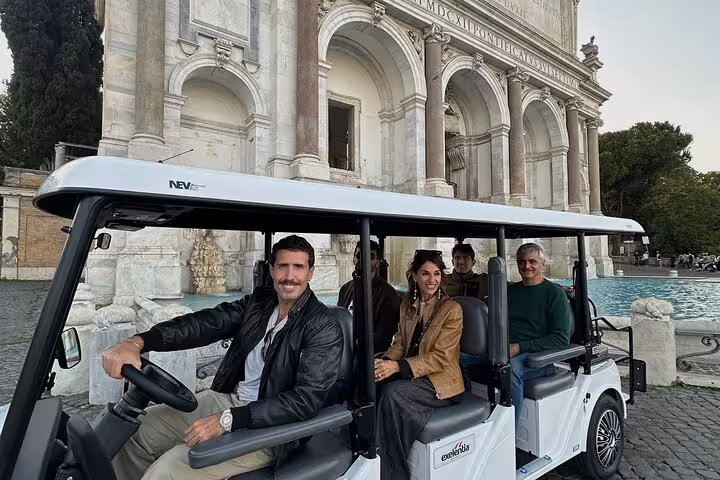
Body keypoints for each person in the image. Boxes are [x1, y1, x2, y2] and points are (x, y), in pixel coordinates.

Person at [102, 235, 344, 480]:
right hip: (228, 401)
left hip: (274, 430)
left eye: (298, 267)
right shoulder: (260, 303)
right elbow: (205, 323)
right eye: (283, 266)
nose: (289, 276)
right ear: (272, 270)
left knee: (169, 469)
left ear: (310, 272)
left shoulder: (322, 326)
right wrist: (139, 342)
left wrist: (229, 420)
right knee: (137, 432)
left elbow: (304, 400)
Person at [373, 250, 464, 480]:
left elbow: (441, 357)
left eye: (436, 273)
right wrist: (384, 362)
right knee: (370, 380)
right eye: (425, 273)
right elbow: (400, 343)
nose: (431, 280)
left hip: (441, 381)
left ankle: (393, 474)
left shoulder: (452, 310)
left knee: (392, 393)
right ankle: (371, 455)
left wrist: (398, 367)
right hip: (413, 374)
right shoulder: (408, 305)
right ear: (415, 276)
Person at [460, 243, 572, 425]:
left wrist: (520, 347)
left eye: (532, 261)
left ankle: (508, 433)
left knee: (510, 371)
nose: (527, 266)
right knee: (457, 360)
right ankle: (467, 415)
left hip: (537, 358)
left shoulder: (554, 294)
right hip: (502, 351)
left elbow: (561, 338)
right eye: (522, 261)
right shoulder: (509, 291)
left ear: (542, 264)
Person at [337, 240, 401, 354]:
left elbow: (382, 339)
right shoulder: (345, 289)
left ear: (377, 262)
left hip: (367, 356)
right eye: (359, 256)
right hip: (342, 351)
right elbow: (338, 322)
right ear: (353, 259)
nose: (363, 261)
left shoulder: (389, 295)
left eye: (370, 257)